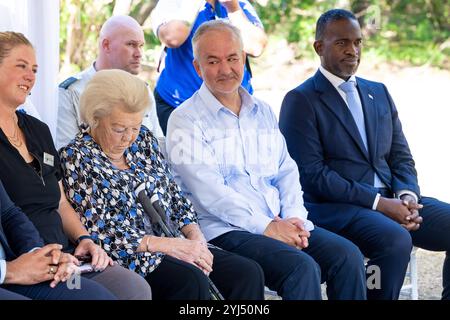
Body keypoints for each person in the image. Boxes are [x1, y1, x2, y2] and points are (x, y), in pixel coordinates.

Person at [166, 20, 366, 300]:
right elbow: (210, 194)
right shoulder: (185, 120)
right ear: (198, 68)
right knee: (301, 268)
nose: (225, 69)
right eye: (213, 62)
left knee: (348, 256)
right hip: (224, 229)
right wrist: (267, 227)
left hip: (279, 220)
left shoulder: (262, 111)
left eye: (232, 58)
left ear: (243, 59)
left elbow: (286, 171)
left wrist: (294, 217)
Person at [279, 9, 450, 300]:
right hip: (337, 207)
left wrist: (407, 196)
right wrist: (379, 204)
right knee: (394, 239)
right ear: (319, 47)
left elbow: (401, 157)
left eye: (358, 42)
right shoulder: (301, 100)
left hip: (392, 200)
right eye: (342, 42)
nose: (353, 50)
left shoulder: (378, 92)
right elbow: (312, 175)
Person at [59, 68, 265, 300]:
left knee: (246, 272)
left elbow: (175, 198)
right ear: (94, 118)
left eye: (135, 127)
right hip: (132, 256)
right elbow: (104, 234)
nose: (128, 137)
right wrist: (170, 246)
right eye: (119, 129)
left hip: (176, 242)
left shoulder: (144, 140)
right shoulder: (76, 157)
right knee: (189, 281)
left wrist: (196, 239)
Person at [0, 31, 152, 300]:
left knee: (134, 288)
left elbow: (59, 202)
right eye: (21, 66)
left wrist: (85, 239)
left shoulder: (37, 130)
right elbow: (10, 215)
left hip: (65, 253)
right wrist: (40, 256)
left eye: (34, 69)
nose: (30, 76)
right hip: (24, 258)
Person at [151, 0, 267, 135]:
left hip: (234, 110)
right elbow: (173, 38)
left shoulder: (239, 4)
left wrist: (232, 8)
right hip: (179, 106)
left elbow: (256, 47)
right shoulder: (173, 3)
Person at [57, 15, 163, 149]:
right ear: (106, 45)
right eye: (131, 44)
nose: (139, 53)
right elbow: (67, 155)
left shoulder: (143, 91)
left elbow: (158, 146)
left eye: (141, 46)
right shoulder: (71, 93)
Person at [0, 180, 116, 300]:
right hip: (9, 271)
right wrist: (8, 270)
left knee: (96, 295)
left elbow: (8, 213)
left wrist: (39, 254)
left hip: (16, 266)